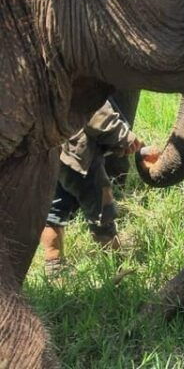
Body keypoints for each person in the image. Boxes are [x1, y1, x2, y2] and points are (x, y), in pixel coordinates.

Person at [39, 100, 143, 275]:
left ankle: (53, 265)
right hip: (80, 158)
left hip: (51, 153)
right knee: (101, 208)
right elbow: (95, 112)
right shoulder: (83, 86)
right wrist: (125, 137)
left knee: (55, 209)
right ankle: (115, 263)